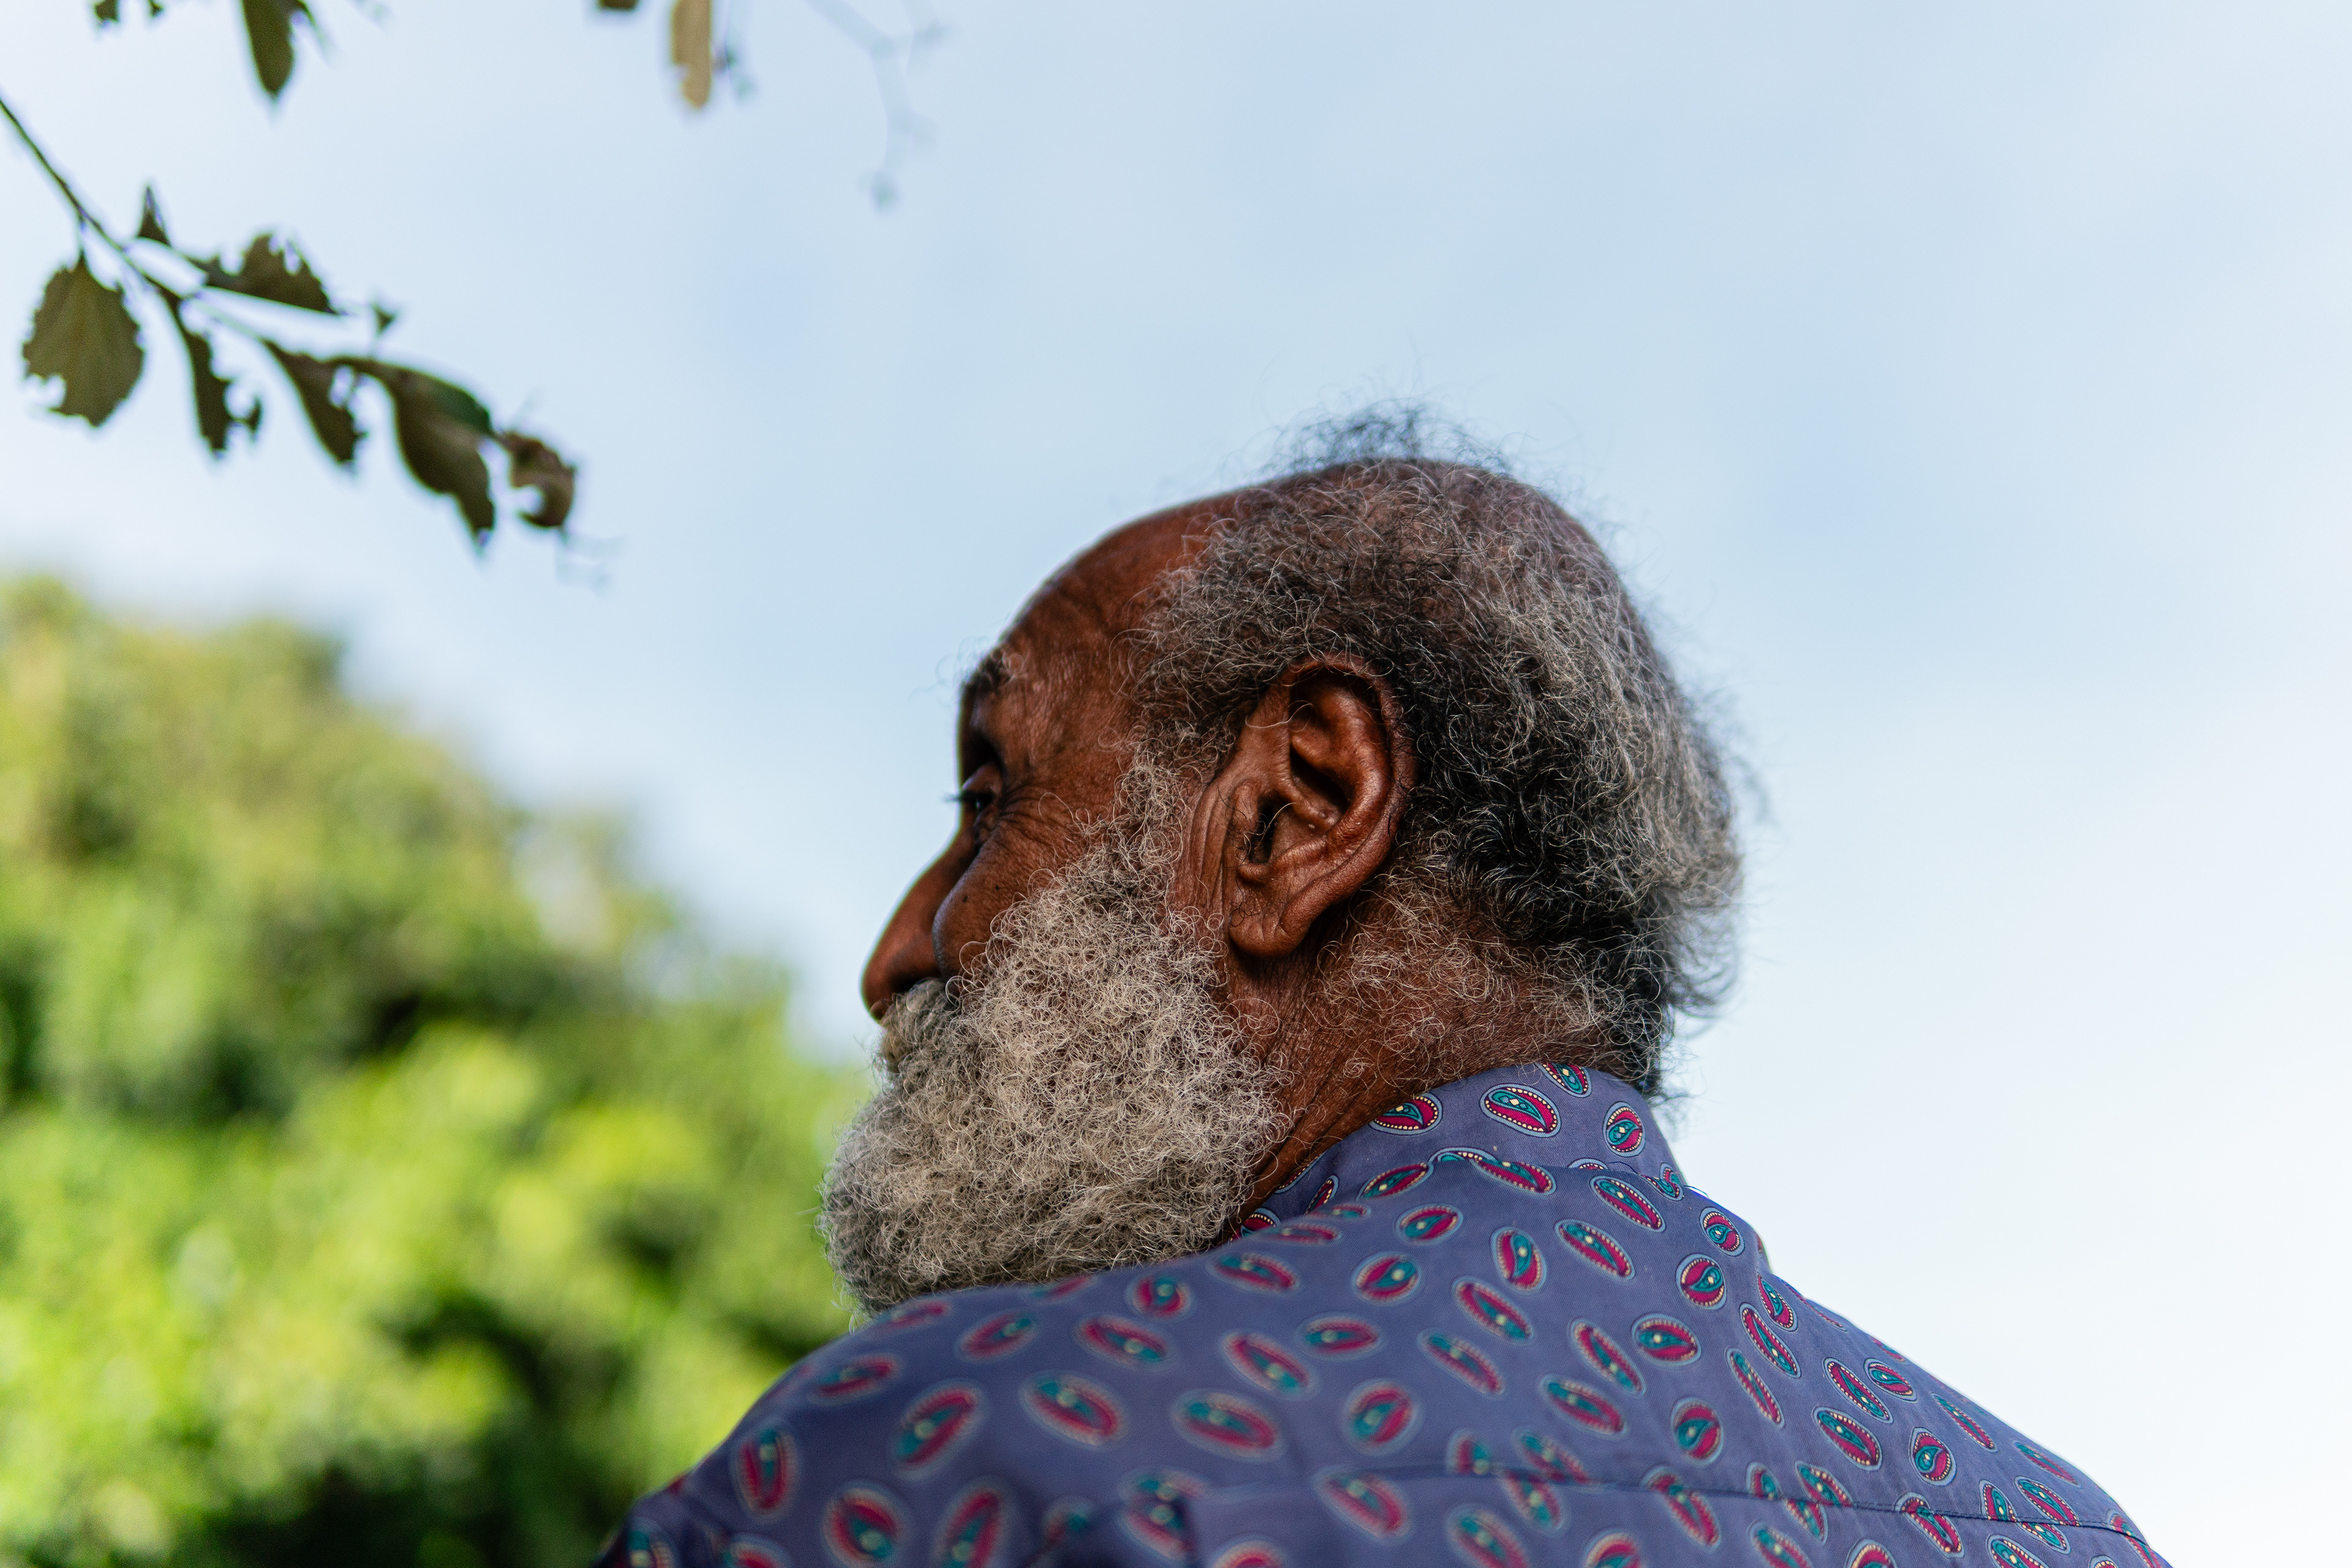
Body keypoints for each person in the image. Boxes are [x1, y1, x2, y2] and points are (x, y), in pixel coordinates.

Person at [600, 429, 2164, 1568]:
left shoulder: (954, 1458)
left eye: (991, 796)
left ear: (1298, 809)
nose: (898, 950)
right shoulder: (2071, 1531)